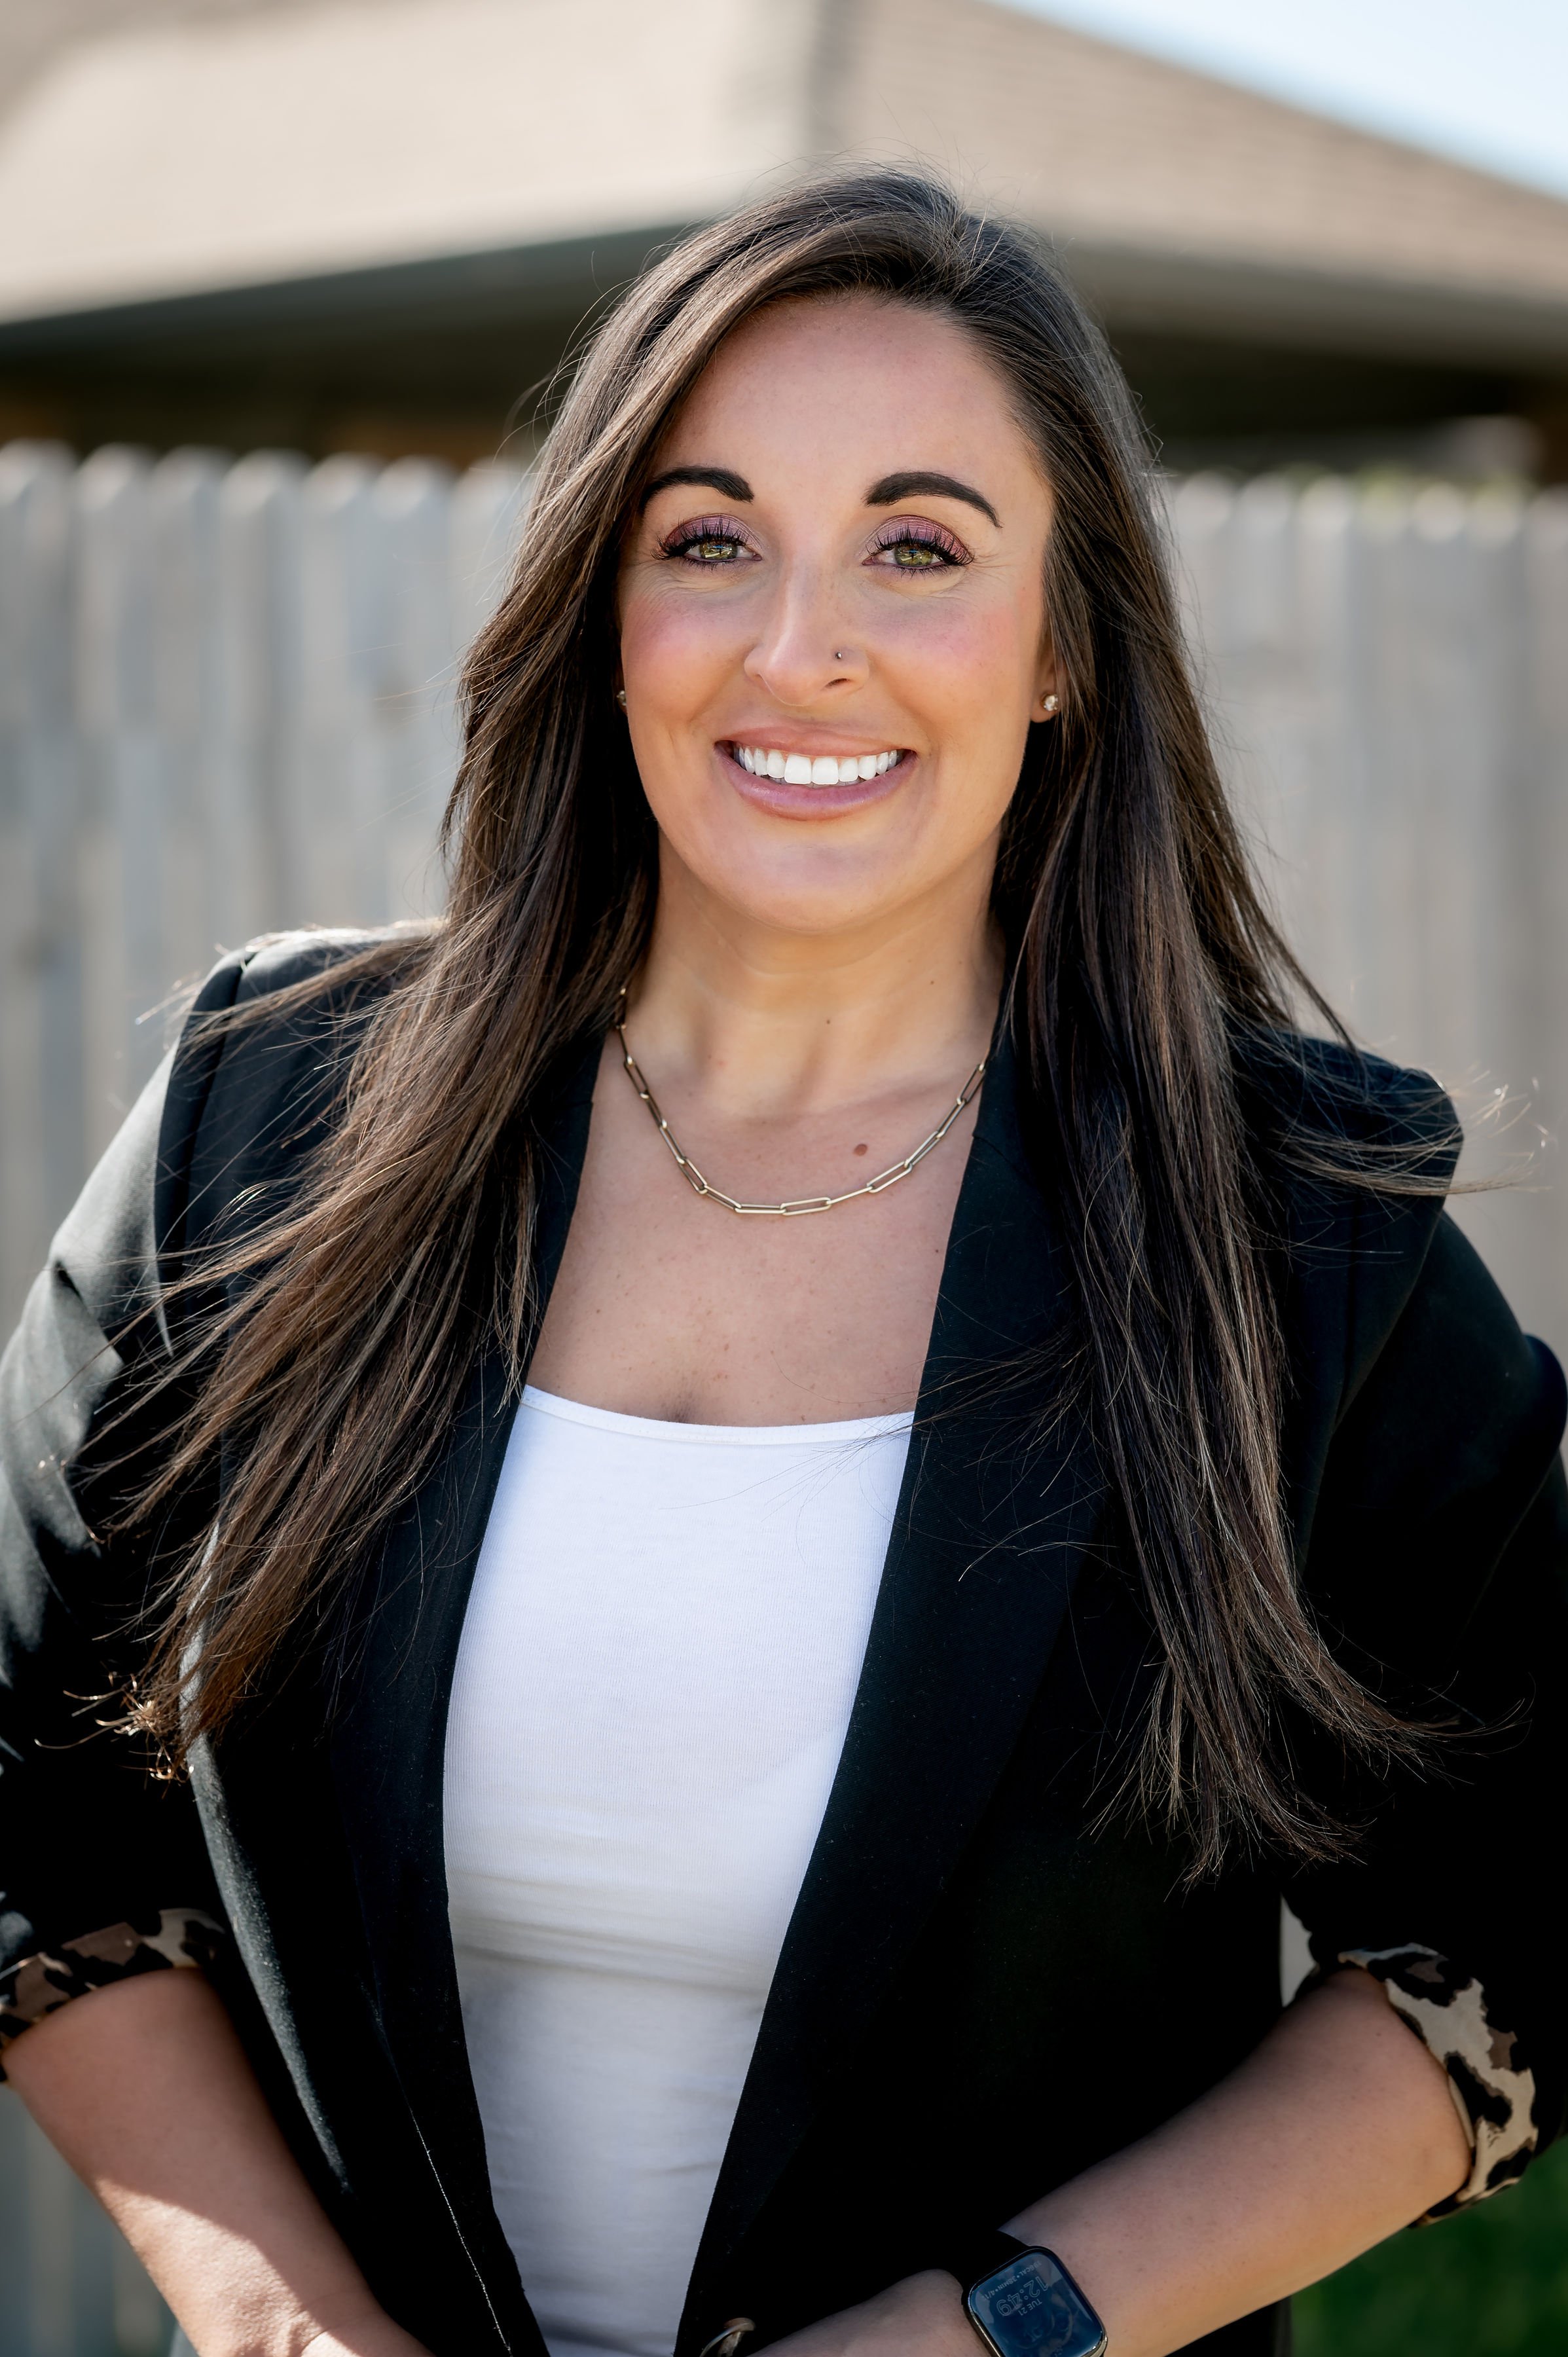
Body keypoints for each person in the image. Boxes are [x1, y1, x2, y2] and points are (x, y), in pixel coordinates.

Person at [0, 172, 1563, 2357]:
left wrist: (994, 2331)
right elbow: (40, 1822)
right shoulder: (264, 1123)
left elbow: (1502, 1936)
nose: (796, 645)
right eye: (708, 537)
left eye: (918, 547)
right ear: (602, 607)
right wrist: (284, 2330)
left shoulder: (1297, 1234)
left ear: (1063, 647)